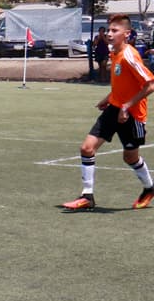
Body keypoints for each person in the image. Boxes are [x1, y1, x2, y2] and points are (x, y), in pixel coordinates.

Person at [61, 14, 154, 211]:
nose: (110, 34)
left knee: (130, 157)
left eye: (115, 31)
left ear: (126, 34)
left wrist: (127, 106)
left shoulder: (129, 55)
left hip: (133, 115)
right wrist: (109, 98)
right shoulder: (114, 52)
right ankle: (87, 196)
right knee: (87, 148)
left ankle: (149, 188)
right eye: (109, 30)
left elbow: (150, 84)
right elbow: (124, 84)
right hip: (114, 109)